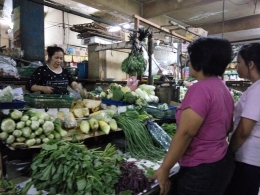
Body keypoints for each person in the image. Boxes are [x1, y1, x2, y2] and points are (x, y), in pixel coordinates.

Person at [152, 37, 235, 195]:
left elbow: (186, 133)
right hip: (221, 161)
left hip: (201, 170)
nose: (188, 64)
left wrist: (164, 169)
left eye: (190, 59)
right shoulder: (223, 88)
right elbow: (228, 127)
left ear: (199, 62)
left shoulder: (200, 89)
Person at [225, 43, 260, 195]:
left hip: (248, 159)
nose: (236, 66)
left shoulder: (257, 90)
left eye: (239, 62)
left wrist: (229, 151)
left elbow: (244, 130)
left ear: (250, 64)